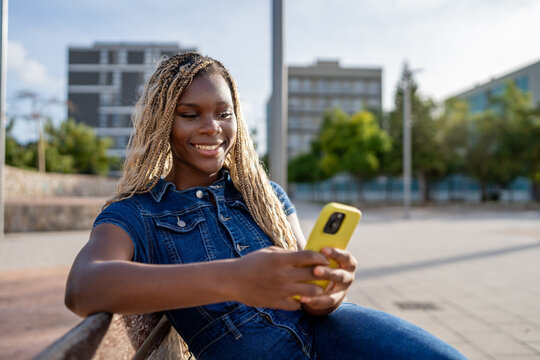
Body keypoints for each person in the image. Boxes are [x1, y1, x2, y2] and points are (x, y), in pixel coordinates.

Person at [65, 52, 465, 360]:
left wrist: (328, 292)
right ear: (161, 124)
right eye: (190, 115)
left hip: (336, 332)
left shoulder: (265, 194)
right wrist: (234, 278)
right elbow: (83, 288)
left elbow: (309, 281)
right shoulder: (136, 214)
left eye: (225, 113)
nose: (212, 127)